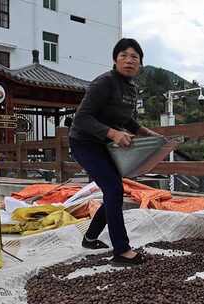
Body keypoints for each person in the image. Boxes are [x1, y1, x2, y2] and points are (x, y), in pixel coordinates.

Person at [69, 38, 161, 266]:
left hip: (105, 145)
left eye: (134, 57)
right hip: (85, 142)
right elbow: (81, 118)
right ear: (114, 59)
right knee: (113, 189)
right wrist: (113, 133)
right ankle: (121, 250)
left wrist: (144, 132)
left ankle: (90, 238)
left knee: (114, 191)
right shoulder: (104, 83)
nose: (129, 60)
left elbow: (126, 119)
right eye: (124, 55)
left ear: (140, 63)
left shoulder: (130, 87)